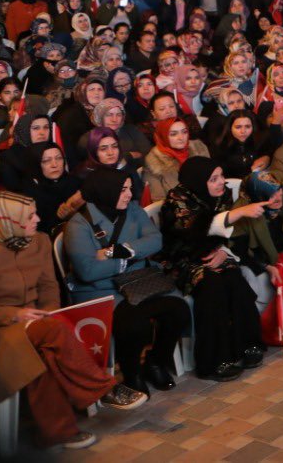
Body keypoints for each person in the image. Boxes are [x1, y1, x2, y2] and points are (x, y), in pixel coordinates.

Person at [0, 191, 142, 451]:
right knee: (48, 337)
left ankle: (58, 433)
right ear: (9, 222)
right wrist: (14, 315)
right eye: (29, 216)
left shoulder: (38, 241)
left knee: (45, 349)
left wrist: (49, 313)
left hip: (40, 325)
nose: (38, 219)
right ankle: (104, 388)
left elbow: (50, 287)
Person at [64, 170, 192, 398]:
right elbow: (88, 270)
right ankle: (132, 374)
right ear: (106, 191)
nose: (129, 194)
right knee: (135, 324)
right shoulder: (78, 224)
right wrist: (127, 261)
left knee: (179, 309)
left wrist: (119, 251)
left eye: (129, 188)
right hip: (102, 290)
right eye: (123, 189)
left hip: (138, 281)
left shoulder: (131, 209)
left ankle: (155, 362)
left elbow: (155, 240)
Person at [159, 156, 268, 381]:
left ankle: (247, 345)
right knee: (212, 286)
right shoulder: (177, 199)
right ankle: (214, 361)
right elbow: (191, 229)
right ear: (199, 181)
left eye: (221, 176)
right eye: (214, 179)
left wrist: (222, 252)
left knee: (235, 280)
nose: (221, 182)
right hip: (184, 258)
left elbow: (229, 232)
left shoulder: (223, 193)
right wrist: (236, 214)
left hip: (215, 252)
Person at [141, 118, 210, 205]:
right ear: (163, 136)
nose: (181, 137)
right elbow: (159, 201)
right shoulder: (153, 161)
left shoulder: (199, 148)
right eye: (173, 134)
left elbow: (214, 178)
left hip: (208, 200)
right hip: (179, 210)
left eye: (184, 132)